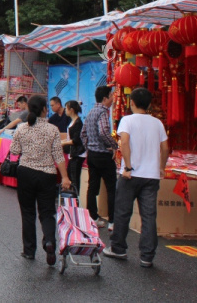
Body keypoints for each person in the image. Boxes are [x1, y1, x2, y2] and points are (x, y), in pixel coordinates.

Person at [103, 88, 169, 268]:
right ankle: (147, 256)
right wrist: (161, 167)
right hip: (151, 176)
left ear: (131, 102)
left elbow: (124, 142)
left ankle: (118, 248)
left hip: (130, 175)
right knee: (148, 216)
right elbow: (165, 148)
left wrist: (129, 166)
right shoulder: (157, 123)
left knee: (123, 212)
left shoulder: (127, 120)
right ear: (149, 105)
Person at [9, 95, 72, 265]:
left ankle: (29, 250)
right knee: (47, 212)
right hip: (47, 175)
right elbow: (59, 156)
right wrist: (65, 177)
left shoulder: (22, 128)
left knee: (28, 212)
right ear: (44, 109)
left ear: (29, 109)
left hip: (26, 173)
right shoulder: (52, 130)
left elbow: (14, 151)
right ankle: (49, 242)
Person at [82, 85, 118, 229]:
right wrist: (114, 145)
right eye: (111, 96)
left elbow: (83, 134)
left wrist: (89, 147)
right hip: (103, 155)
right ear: (104, 99)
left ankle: (93, 217)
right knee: (111, 187)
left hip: (92, 154)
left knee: (92, 186)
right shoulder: (103, 112)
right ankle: (112, 221)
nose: (112, 98)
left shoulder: (91, 112)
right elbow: (103, 132)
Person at [64, 100, 85, 196]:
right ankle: (71, 199)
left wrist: (63, 143)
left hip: (77, 153)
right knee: (71, 177)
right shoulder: (73, 122)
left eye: (66, 108)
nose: (65, 110)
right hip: (73, 153)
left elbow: (76, 140)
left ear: (71, 110)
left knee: (74, 179)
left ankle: (75, 200)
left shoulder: (78, 123)